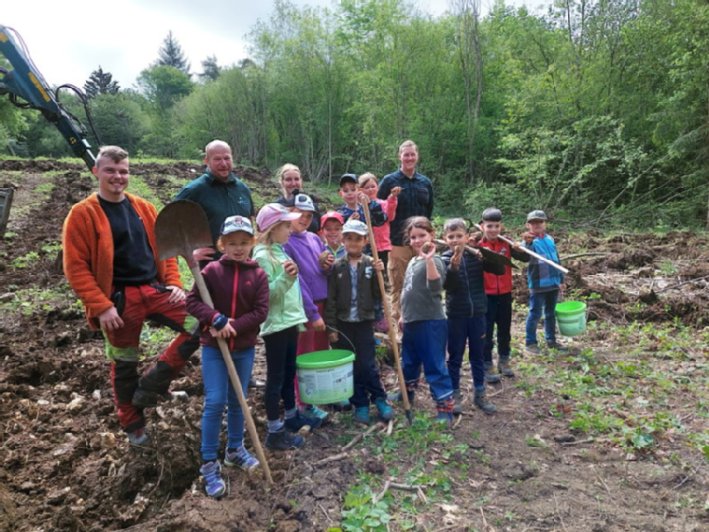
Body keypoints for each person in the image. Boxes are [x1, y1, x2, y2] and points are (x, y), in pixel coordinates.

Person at [62, 145, 199, 446]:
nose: (117, 176)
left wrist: (174, 283)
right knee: (124, 362)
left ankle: (154, 381)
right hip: (118, 300)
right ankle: (133, 423)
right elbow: (75, 267)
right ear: (96, 171)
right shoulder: (83, 214)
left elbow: (165, 253)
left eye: (123, 171)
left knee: (200, 324)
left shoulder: (144, 208)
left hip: (154, 289)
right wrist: (101, 306)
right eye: (110, 170)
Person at [185, 216, 268, 498]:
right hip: (214, 349)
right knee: (215, 400)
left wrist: (234, 326)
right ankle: (209, 461)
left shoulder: (257, 275)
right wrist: (216, 319)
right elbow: (192, 301)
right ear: (222, 244)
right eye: (231, 243)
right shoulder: (210, 272)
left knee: (238, 401)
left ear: (252, 243)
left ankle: (235, 449)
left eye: (244, 243)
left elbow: (260, 312)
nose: (238, 248)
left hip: (243, 348)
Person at [253, 203, 322, 451]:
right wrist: (286, 277)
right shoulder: (262, 255)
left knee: (289, 371)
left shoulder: (280, 250)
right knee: (276, 377)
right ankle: (274, 431)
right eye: (285, 225)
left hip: (290, 322)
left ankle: (292, 417)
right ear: (272, 228)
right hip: (276, 326)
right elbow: (266, 296)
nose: (290, 229)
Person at [325, 219, 393, 424]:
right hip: (343, 323)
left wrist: (381, 274)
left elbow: (381, 291)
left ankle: (379, 398)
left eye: (358, 239)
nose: (353, 243)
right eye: (349, 238)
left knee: (367, 363)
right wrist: (331, 327)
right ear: (343, 240)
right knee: (352, 365)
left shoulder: (371, 264)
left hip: (364, 321)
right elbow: (331, 300)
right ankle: (360, 402)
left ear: (365, 241)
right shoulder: (337, 266)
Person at [441, 218, 505, 415]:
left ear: (467, 237)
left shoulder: (475, 255)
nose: (455, 240)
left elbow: (500, 269)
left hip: (478, 313)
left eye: (459, 236)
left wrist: (485, 254)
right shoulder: (443, 259)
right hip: (456, 315)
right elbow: (446, 286)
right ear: (445, 239)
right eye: (451, 237)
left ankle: (480, 393)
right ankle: (455, 394)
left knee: (478, 355)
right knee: (455, 356)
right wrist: (453, 266)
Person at [397, 216, 455, 424]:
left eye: (422, 235)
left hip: (430, 322)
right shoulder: (413, 261)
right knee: (409, 361)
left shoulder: (436, 260)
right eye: (413, 237)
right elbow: (407, 290)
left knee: (434, 365)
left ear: (432, 235)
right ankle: (406, 395)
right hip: (412, 321)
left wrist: (429, 259)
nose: (417, 240)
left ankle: (444, 409)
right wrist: (403, 315)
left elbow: (435, 287)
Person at [283, 193, 332, 421]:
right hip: (305, 308)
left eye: (309, 215)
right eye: (299, 213)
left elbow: (322, 268)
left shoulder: (313, 238)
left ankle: (324, 394)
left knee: (321, 351)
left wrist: (326, 263)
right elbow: (296, 281)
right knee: (304, 354)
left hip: (322, 303)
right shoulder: (286, 242)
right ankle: (305, 402)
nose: (303, 218)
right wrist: (311, 312)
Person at [377, 140, 434, 326]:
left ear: (417, 156)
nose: (409, 158)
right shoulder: (389, 181)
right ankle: (402, 329)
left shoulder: (425, 183)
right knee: (399, 286)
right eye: (405, 154)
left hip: (422, 244)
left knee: (423, 284)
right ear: (399, 156)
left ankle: (422, 322)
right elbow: (378, 210)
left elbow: (429, 212)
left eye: (412, 154)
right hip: (397, 242)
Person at [175, 140, 255, 263]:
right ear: (206, 161)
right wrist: (188, 252)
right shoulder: (194, 190)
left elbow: (250, 221)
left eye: (227, 158)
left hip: (243, 265)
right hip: (211, 268)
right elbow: (170, 224)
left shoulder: (242, 189)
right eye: (217, 159)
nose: (223, 163)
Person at [477, 208, 529, 381]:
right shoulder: (477, 245)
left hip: (505, 294)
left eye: (496, 226)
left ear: (501, 226)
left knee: (505, 329)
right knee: (487, 330)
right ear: (482, 226)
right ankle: (486, 363)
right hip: (486, 295)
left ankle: (504, 360)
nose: (493, 229)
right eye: (489, 226)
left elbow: (525, 258)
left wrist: (522, 247)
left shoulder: (507, 243)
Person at [522, 210, 565, 353]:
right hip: (538, 284)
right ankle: (530, 343)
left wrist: (561, 279)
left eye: (539, 222)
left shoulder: (550, 239)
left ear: (545, 223)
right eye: (533, 223)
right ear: (528, 225)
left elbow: (557, 259)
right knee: (535, 313)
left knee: (550, 313)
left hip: (553, 283)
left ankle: (551, 340)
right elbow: (525, 256)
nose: (536, 225)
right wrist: (527, 244)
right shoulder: (528, 242)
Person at [358, 173, 400, 275]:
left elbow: (390, 217)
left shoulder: (383, 203)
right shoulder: (358, 206)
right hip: (365, 246)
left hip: (382, 246)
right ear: (360, 190)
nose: (370, 189)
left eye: (373, 186)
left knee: (380, 274)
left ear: (378, 187)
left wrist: (392, 198)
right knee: (366, 273)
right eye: (366, 187)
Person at [274, 163, 322, 233]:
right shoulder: (276, 207)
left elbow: (320, 232)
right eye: (288, 179)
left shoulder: (311, 205)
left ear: (301, 181)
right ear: (281, 182)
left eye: (296, 179)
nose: (293, 183)